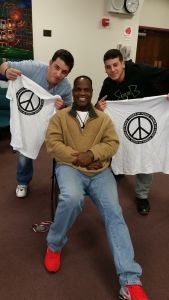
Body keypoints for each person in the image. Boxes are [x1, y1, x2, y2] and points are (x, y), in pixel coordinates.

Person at [44, 75, 149, 300]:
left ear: (91, 92)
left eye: (86, 90)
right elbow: (53, 144)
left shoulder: (102, 118)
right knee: (71, 199)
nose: (82, 93)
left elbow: (112, 143)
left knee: (114, 212)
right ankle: (54, 244)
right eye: (78, 89)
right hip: (70, 168)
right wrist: (80, 158)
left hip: (100, 172)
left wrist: (92, 154)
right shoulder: (60, 117)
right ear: (73, 92)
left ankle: (129, 281)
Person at [96, 48, 169, 216]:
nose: (112, 70)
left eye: (116, 65)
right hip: (124, 126)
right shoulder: (108, 84)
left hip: (149, 120)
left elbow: (166, 74)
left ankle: (142, 196)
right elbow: (98, 106)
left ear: (123, 64)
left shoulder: (141, 71)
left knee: (145, 155)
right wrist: (98, 108)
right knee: (117, 148)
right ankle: (119, 170)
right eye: (108, 67)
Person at [0, 49, 74, 198]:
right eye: (57, 68)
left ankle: (62, 180)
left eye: (64, 72)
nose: (59, 74)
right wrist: (6, 71)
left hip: (51, 122)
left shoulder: (65, 87)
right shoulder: (33, 68)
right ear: (50, 63)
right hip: (27, 120)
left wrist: (63, 107)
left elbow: (69, 110)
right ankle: (23, 182)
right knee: (24, 151)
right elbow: (4, 64)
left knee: (64, 147)